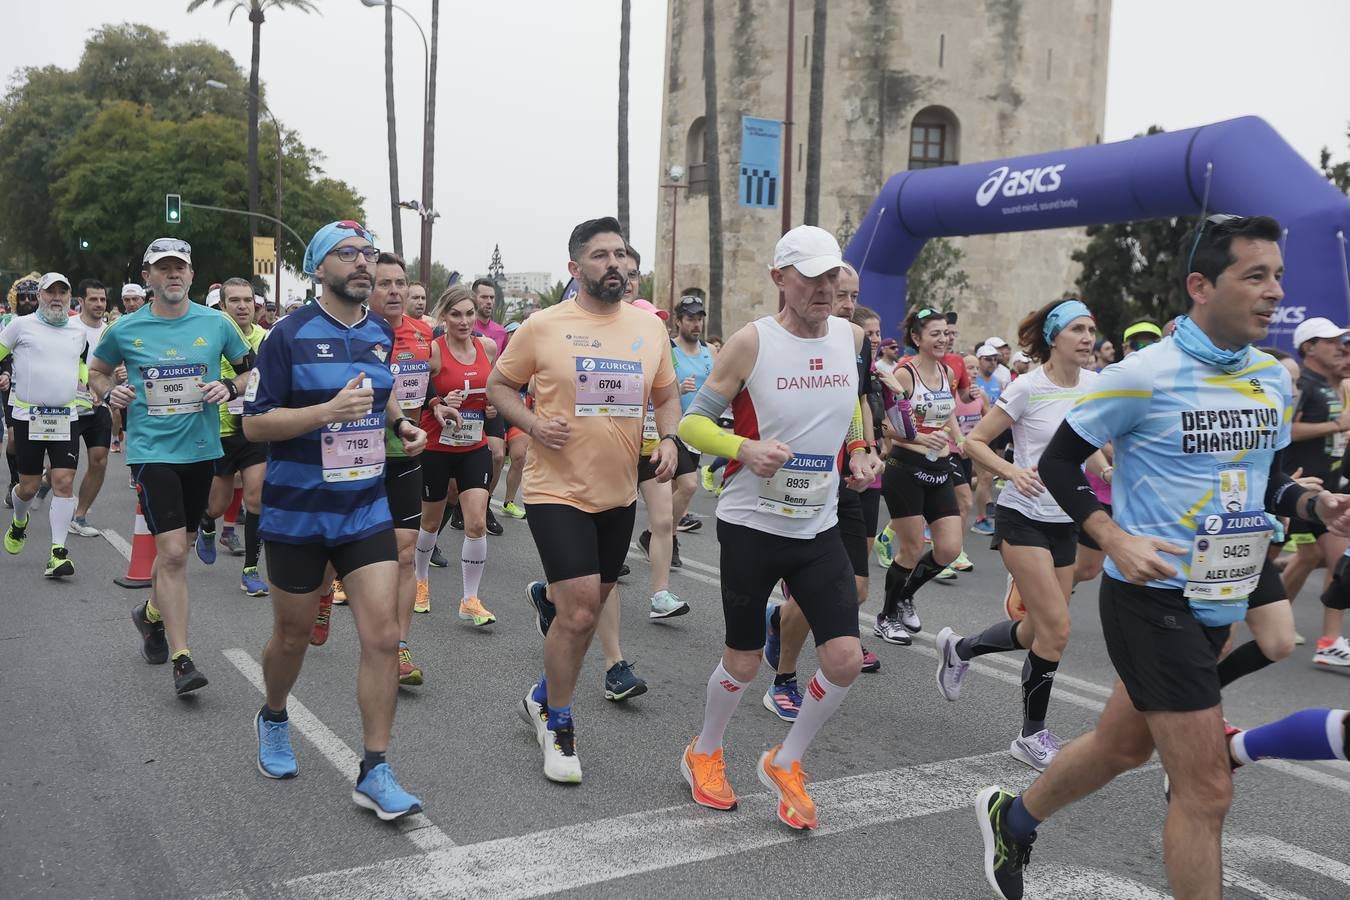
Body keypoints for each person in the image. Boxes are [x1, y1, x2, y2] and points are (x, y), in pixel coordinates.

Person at [974, 214, 1350, 900]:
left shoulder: (1270, 378)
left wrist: (1312, 505)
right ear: (1201, 286)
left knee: (1121, 747)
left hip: (1221, 594)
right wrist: (1112, 535)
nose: (1274, 291)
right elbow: (1059, 462)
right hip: (1151, 600)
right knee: (1206, 791)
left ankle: (1013, 817)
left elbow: (1266, 481)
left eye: (1278, 276)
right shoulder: (1141, 375)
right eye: (1255, 276)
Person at [677, 224, 881, 830]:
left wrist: (861, 449)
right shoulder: (751, 342)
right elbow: (692, 425)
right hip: (751, 525)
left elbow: (849, 405)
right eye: (810, 277)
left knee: (844, 659)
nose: (825, 288)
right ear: (779, 279)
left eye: (832, 276)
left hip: (818, 525)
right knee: (742, 662)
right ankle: (705, 751)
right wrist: (743, 448)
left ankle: (786, 760)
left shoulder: (850, 337)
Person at [243, 220, 426, 820]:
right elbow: (255, 423)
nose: (361, 263)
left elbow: (380, 393)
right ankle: (274, 715)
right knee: (292, 636)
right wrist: (326, 411)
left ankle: (375, 768)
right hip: (298, 513)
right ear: (318, 268)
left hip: (364, 508)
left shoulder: (379, 331)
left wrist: (401, 422)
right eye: (346, 254)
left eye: (366, 253)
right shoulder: (287, 335)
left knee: (383, 636)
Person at [487, 217, 680, 784]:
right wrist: (531, 424)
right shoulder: (544, 325)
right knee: (574, 612)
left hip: (617, 492)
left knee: (589, 611)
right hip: (556, 491)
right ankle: (559, 723)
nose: (615, 264)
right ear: (575, 268)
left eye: (621, 254)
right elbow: (499, 386)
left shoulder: (649, 329)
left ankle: (542, 695)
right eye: (601, 255)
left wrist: (670, 438)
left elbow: (667, 394)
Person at [939, 299, 1102, 772]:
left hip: (1065, 519)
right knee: (1057, 630)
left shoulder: (1095, 386)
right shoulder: (1027, 387)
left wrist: (1106, 469)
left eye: (1091, 330)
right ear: (1054, 337)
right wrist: (1012, 472)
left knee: (1036, 631)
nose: (1087, 338)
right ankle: (1031, 736)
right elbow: (974, 442)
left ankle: (960, 649)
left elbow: (1085, 445)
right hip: (1022, 517)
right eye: (1077, 329)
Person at [91, 240, 250, 694]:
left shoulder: (215, 323)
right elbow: (96, 371)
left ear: (192, 275)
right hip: (151, 452)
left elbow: (248, 370)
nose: (173, 275)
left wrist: (229, 387)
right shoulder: (126, 329)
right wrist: (109, 392)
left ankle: (150, 615)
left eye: (180, 267)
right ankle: (183, 660)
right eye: (163, 268)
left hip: (200, 450)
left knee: (179, 547)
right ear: (148, 277)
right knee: (175, 554)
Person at [872, 306, 961, 645]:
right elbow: (884, 427)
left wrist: (960, 439)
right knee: (910, 549)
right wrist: (922, 439)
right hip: (906, 469)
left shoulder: (946, 370)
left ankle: (905, 595)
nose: (943, 339)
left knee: (949, 549)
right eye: (935, 333)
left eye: (946, 333)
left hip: (940, 469)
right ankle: (886, 617)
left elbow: (948, 412)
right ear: (917, 338)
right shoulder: (904, 374)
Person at [415, 282, 497, 633]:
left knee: (476, 523)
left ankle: (469, 599)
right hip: (436, 447)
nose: (464, 321)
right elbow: (416, 396)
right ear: (444, 317)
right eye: (456, 314)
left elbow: (495, 389)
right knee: (430, 523)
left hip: (473, 446)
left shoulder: (487, 347)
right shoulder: (433, 351)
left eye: (469, 314)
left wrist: (493, 407)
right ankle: (420, 580)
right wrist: (438, 402)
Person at [1, 273, 87, 577]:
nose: (57, 298)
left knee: (63, 481)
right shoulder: (21, 326)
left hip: (65, 417)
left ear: (69, 297)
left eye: (63, 293)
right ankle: (19, 521)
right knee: (29, 486)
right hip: (29, 417)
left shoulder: (78, 330)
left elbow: (81, 363)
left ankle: (57, 553)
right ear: (40, 296)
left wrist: (86, 383)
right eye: (51, 292)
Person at [1279, 316, 1350, 668]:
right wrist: (1336, 425)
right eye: (1330, 341)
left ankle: (1278, 623)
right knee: (1334, 561)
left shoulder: (1331, 383)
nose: (1339, 347)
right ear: (1308, 347)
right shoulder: (1302, 383)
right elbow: (1285, 430)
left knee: (1316, 558)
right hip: (1298, 490)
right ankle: (1326, 641)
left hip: (1328, 491)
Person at [192, 278, 270, 596]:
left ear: (256, 305)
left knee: (256, 498)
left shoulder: (266, 338)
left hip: (254, 429)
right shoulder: (210, 336)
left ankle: (250, 569)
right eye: (234, 301)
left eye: (247, 300)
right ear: (222, 306)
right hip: (219, 430)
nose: (242, 306)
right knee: (218, 504)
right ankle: (207, 523)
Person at [665, 294, 714, 548]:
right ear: (678, 321)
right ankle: (664, 534)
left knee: (680, 488)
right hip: (674, 427)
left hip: (699, 429)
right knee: (686, 484)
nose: (696, 324)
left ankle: (664, 532)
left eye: (699, 319)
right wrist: (679, 390)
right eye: (690, 319)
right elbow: (656, 389)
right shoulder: (668, 349)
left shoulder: (709, 351)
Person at [68, 279, 113, 538]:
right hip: (70, 406)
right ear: (81, 301)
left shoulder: (111, 332)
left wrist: (115, 380)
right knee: (63, 469)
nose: (99, 304)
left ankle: (80, 516)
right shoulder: (69, 328)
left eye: (102, 299)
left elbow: (114, 373)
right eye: (93, 299)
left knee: (99, 460)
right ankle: (46, 481)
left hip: (99, 407)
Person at [471, 278, 509, 537]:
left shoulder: (500, 332)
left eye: (491, 298)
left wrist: (496, 399)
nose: (488, 302)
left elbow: (501, 370)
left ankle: (484, 506)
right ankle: (460, 505)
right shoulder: (464, 324)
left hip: (490, 400)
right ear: (474, 298)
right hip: (464, 401)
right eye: (483, 297)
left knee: (497, 454)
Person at [498, 319, 531, 520]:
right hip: (497, 415)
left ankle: (508, 502)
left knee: (519, 456)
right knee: (496, 458)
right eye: (514, 332)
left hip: (518, 414)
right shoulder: (497, 356)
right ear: (507, 335)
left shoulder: (528, 357)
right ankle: (482, 498)